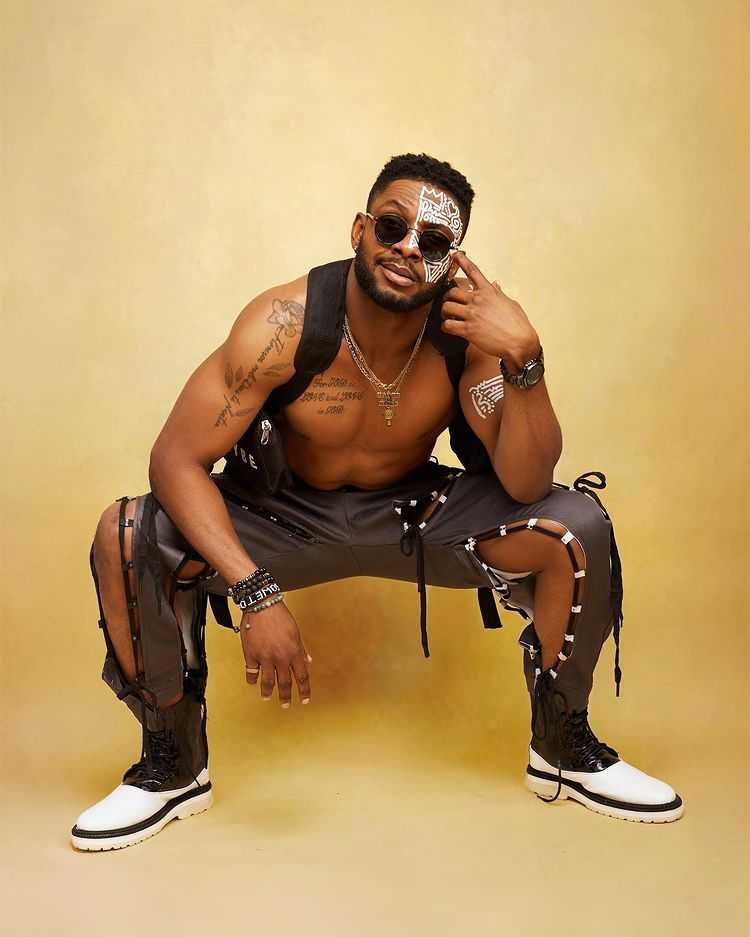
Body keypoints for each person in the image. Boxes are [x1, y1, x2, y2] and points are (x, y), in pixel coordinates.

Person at [71, 153, 683, 851]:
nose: (407, 249)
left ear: (452, 260)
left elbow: (527, 481)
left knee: (575, 523)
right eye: (393, 227)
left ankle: (564, 748)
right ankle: (172, 763)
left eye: (433, 242)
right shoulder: (282, 324)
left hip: (412, 518)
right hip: (280, 516)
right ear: (360, 229)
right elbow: (174, 459)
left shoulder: (465, 335)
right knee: (125, 531)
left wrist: (525, 358)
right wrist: (254, 589)